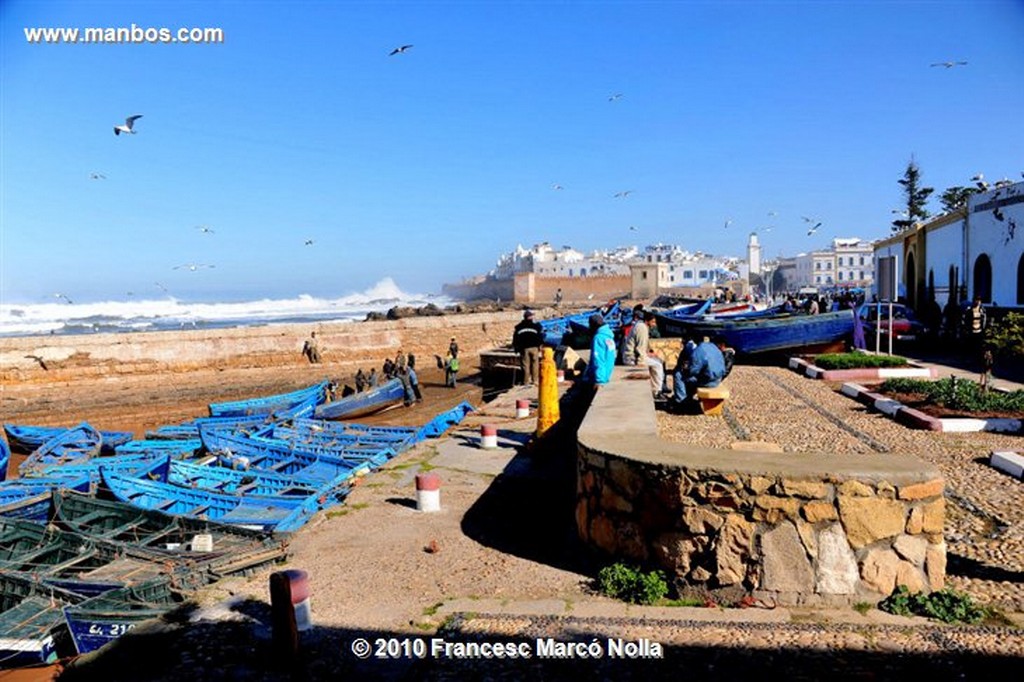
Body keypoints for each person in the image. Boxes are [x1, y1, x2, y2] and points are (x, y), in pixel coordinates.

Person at [673, 334, 727, 408]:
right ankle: (687, 397)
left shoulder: (699, 350)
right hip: (718, 379)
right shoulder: (714, 347)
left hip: (707, 382)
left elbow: (693, 371)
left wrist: (686, 369)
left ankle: (681, 402)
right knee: (691, 379)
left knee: (678, 374)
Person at [622, 311, 666, 397]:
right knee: (658, 365)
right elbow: (640, 349)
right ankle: (657, 390)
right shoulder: (642, 328)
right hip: (632, 358)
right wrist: (641, 363)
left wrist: (649, 354)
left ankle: (655, 388)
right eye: (653, 322)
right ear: (647, 321)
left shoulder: (640, 326)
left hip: (632, 356)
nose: (654, 324)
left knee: (657, 361)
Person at [580, 314, 616, 388]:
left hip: (600, 377)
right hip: (607, 373)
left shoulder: (598, 338)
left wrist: (599, 380)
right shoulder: (608, 336)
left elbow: (598, 360)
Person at [512, 310, 544, 385]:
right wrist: (540, 345)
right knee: (535, 364)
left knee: (525, 365)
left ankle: (526, 381)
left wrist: (516, 348)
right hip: (534, 348)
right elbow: (540, 337)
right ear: (530, 317)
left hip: (524, 349)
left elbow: (515, 339)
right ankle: (535, 380)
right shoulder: (536, 327)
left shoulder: (519, 327)